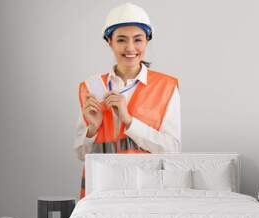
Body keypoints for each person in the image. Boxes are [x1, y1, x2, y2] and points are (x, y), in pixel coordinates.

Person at [74, 3, 182, 199]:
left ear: (147, 41)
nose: (130, 48)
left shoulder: (166, 86)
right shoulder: (91, 87)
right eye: (121, 40)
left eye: (138, 40)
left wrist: (129, 121)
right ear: (109, 41)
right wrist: (93, 129)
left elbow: (172, 150)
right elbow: (82, 154)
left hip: (148, 194)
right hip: (100, 193)